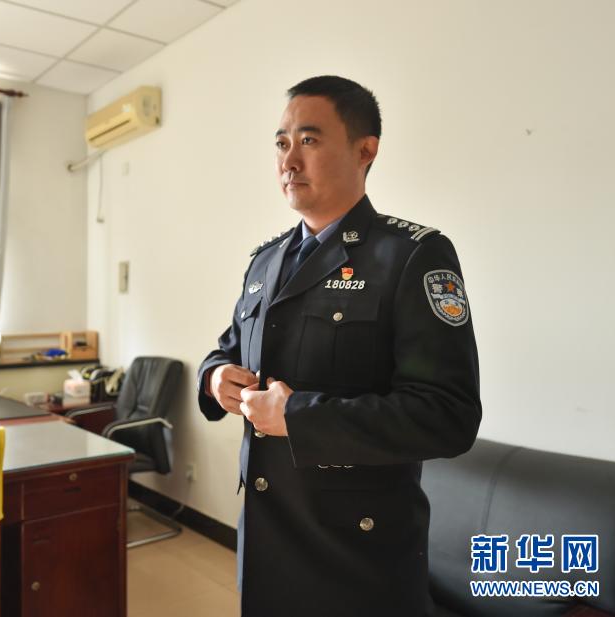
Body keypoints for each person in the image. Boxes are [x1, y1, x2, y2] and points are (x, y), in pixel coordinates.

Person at [197, 76, 481, 616]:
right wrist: (214, 378)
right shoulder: (265, 262)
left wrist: (298, 417)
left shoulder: (410, 256)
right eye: (281, 143)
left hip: (355, 557)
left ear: (365, 150)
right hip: (265, 543)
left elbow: (449, 415)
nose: (289, 161)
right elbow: (228, 349)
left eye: (308, 140)